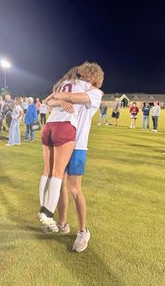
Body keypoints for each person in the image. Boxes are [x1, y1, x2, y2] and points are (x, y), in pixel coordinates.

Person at [38, 62, 104, 249]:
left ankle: (83, 231)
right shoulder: (74, 86)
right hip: (64, 139)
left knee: (74, 189)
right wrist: (57, 98)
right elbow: (50, 101)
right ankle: (62, 223)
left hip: (78, 145)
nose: (81, 77)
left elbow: (68, 97)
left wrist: (58, 95)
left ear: (93, 78)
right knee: (58, 185)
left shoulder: (94, 93)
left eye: (85, 75)